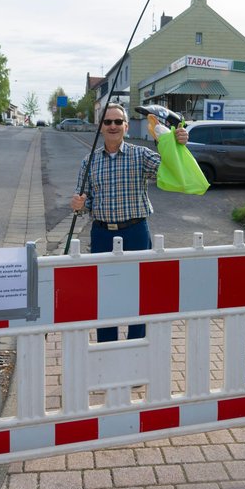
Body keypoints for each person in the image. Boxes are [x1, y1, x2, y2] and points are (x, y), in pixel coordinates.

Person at [70, 102, 188, 342]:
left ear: (125, 126)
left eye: (117, 121)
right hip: (102, 234)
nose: (112, 126)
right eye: (107, 121)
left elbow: (170, 168)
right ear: (100, 126)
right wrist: (80, 206)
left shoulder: (140, 155)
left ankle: (136, 349)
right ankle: (107, 348)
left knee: (138, 294)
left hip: (135, 232)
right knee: (106, 295)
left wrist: (176, 142)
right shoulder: (89, 161)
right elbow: (87, 201)